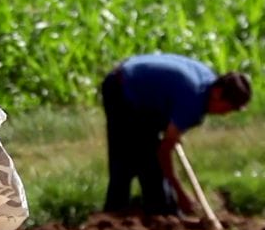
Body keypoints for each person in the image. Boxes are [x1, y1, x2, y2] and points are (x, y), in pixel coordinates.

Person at [100, 53, 252, 217]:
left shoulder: (206, 82)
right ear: (217, 93)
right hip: (122, 90)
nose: (226, 113)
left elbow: (171, 104)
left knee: (146, 160)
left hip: (145, 95)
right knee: (127, 162)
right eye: (229, 107)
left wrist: (172, 131)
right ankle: (117, 215)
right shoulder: (193, 99)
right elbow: (163, 153)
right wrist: (181, 193)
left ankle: (155, 210)